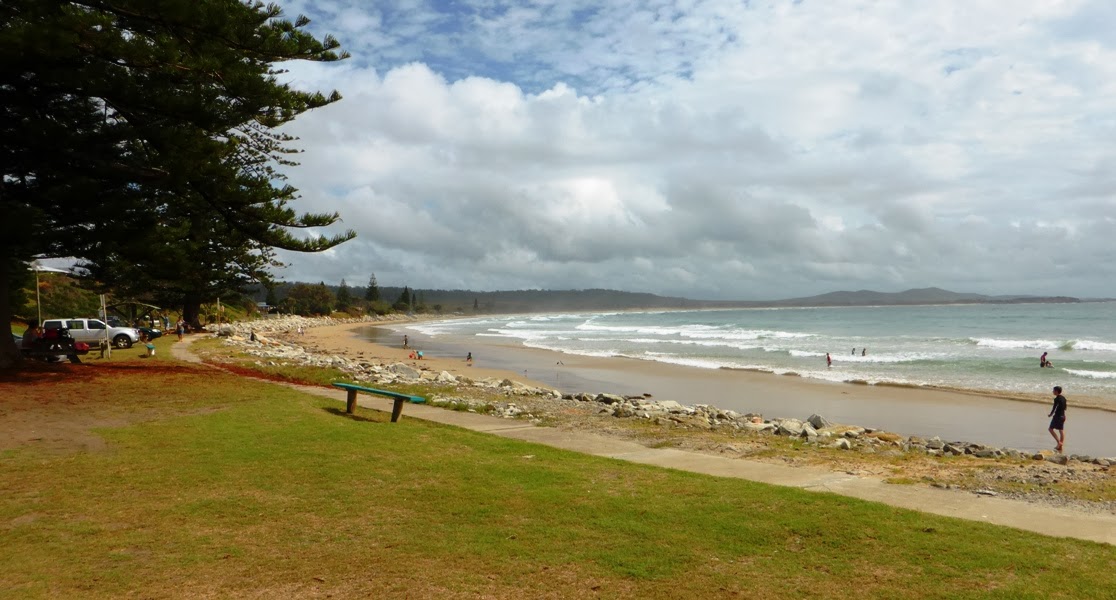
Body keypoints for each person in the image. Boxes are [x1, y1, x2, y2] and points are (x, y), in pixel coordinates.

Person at [1048, 385, 1067, 453]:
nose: (1053, 391)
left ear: (1056, 391)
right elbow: (1065, 408)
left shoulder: (1057, 399)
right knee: (1061, 430)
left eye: (1053, 390)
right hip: (1063, 416)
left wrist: (1050, 414)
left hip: (1058, 416)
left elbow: (1054, 408)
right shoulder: (1064, 398)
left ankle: (1059, 442)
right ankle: (1060, 445)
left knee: (1050, 429)